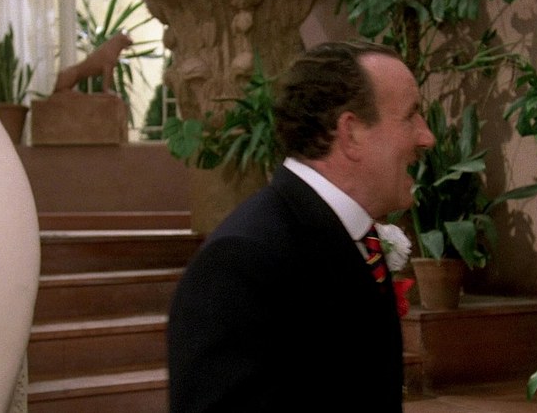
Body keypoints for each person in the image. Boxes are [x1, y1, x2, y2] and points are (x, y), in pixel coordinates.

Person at [167, 41, 436, 412]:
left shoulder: (355, 237)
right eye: (410, 116)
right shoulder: (241, 262)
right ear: (351, 133)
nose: (426, 136)